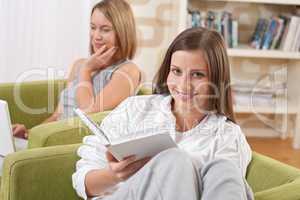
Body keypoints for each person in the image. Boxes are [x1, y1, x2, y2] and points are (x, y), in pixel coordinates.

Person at [72, 27, 253, 200]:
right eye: (176, 71)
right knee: (175, 159)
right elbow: (84, 182)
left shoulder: (228, 136)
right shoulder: (135, 109)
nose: (183, 85)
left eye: (197, 75)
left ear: (216, 79)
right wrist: (114, 175)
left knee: (225, 169)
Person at [12, 0, 141, 139]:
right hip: (53, 139)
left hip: (76, 142)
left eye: (105, 29)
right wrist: (29, 134)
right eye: (93, 27)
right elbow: (57, 116)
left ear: (122, 33)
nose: (96, 36)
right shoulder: (79, 64)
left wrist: (86, 70)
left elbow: (88, 115)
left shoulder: (128, 71)